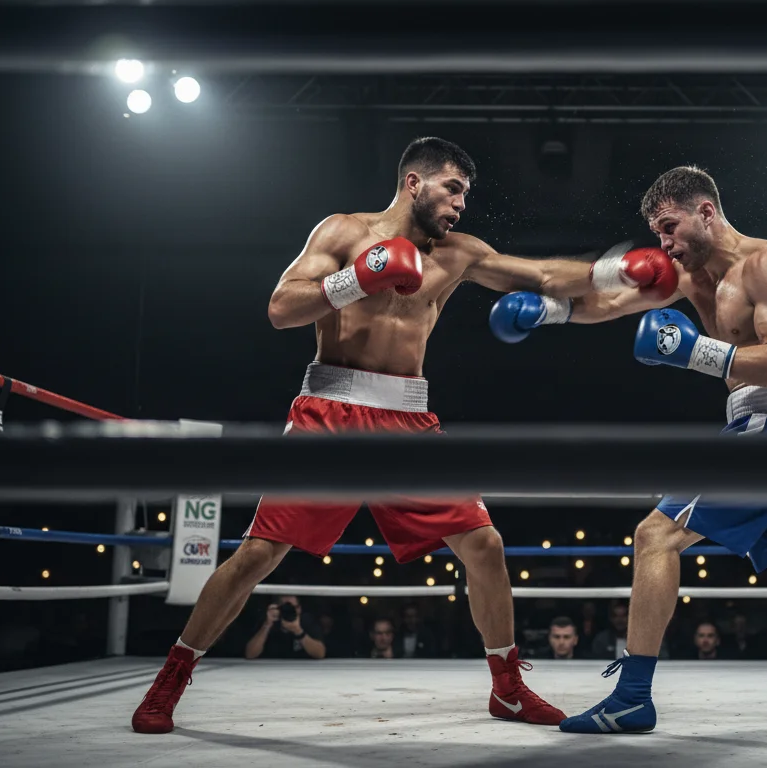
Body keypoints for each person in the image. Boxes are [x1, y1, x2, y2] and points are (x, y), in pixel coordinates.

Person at [131, 137, 677, 734]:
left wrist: (617, 270)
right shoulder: (342, 232)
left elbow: (543, 274)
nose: (461, 204)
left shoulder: (459, 253)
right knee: (259, 554)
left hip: (409, 418)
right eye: (453, 189)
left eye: (466, 193)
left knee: (484, 545)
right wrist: (358, 278)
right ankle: (170, 683)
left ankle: (508, 689)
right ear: (414, 183)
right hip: (330, 408)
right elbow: (281, 308)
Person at [492, 165, 767, 733]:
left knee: (655, 536)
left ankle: (633, 697)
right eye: (657, 233)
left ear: (705, 211)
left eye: (668, 227)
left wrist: (692, 352)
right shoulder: (689, 278)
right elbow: (607, 305)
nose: (663, 244)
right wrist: (548, 312)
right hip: (766, 433)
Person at [244, 596, 326, 660]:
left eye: (294, 607)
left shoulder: (306, 621)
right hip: (271, 669)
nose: (289, 610)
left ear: (299, 608)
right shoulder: (269, 620)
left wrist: (298, 631)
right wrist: (267, 625)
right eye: (286, 607)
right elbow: (250, 654)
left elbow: (320, 654)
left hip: (301, 670)